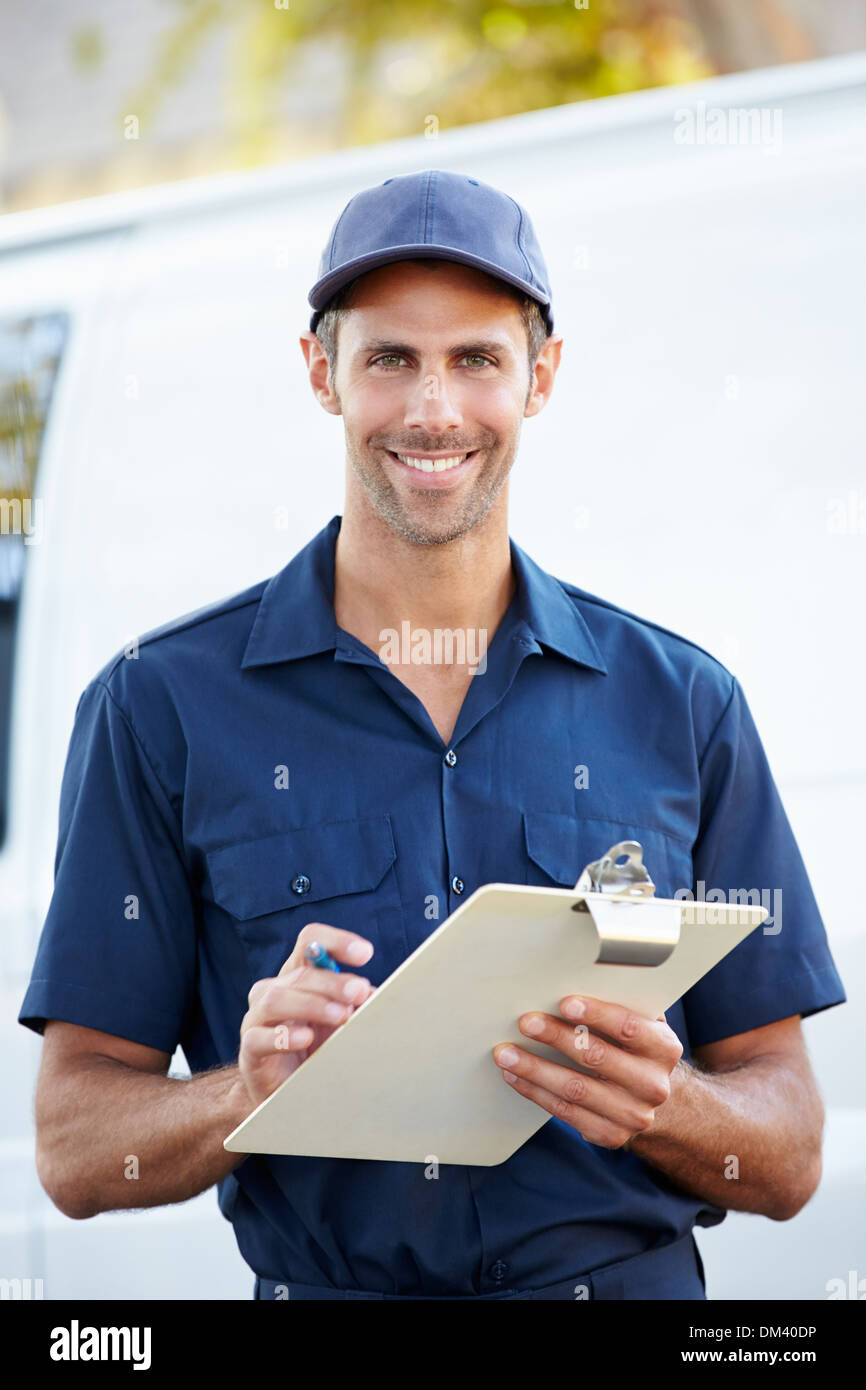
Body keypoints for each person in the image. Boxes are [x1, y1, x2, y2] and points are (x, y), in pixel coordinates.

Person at [19, 170, 846, 1301]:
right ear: (322, 373)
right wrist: (248, 1090)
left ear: (539, 376)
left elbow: (789, 1148)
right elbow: (73, 1147)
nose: (432, 410)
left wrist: (669, 1102)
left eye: (476, 359)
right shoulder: (156, 706)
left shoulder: (682, 700)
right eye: (389, 359)